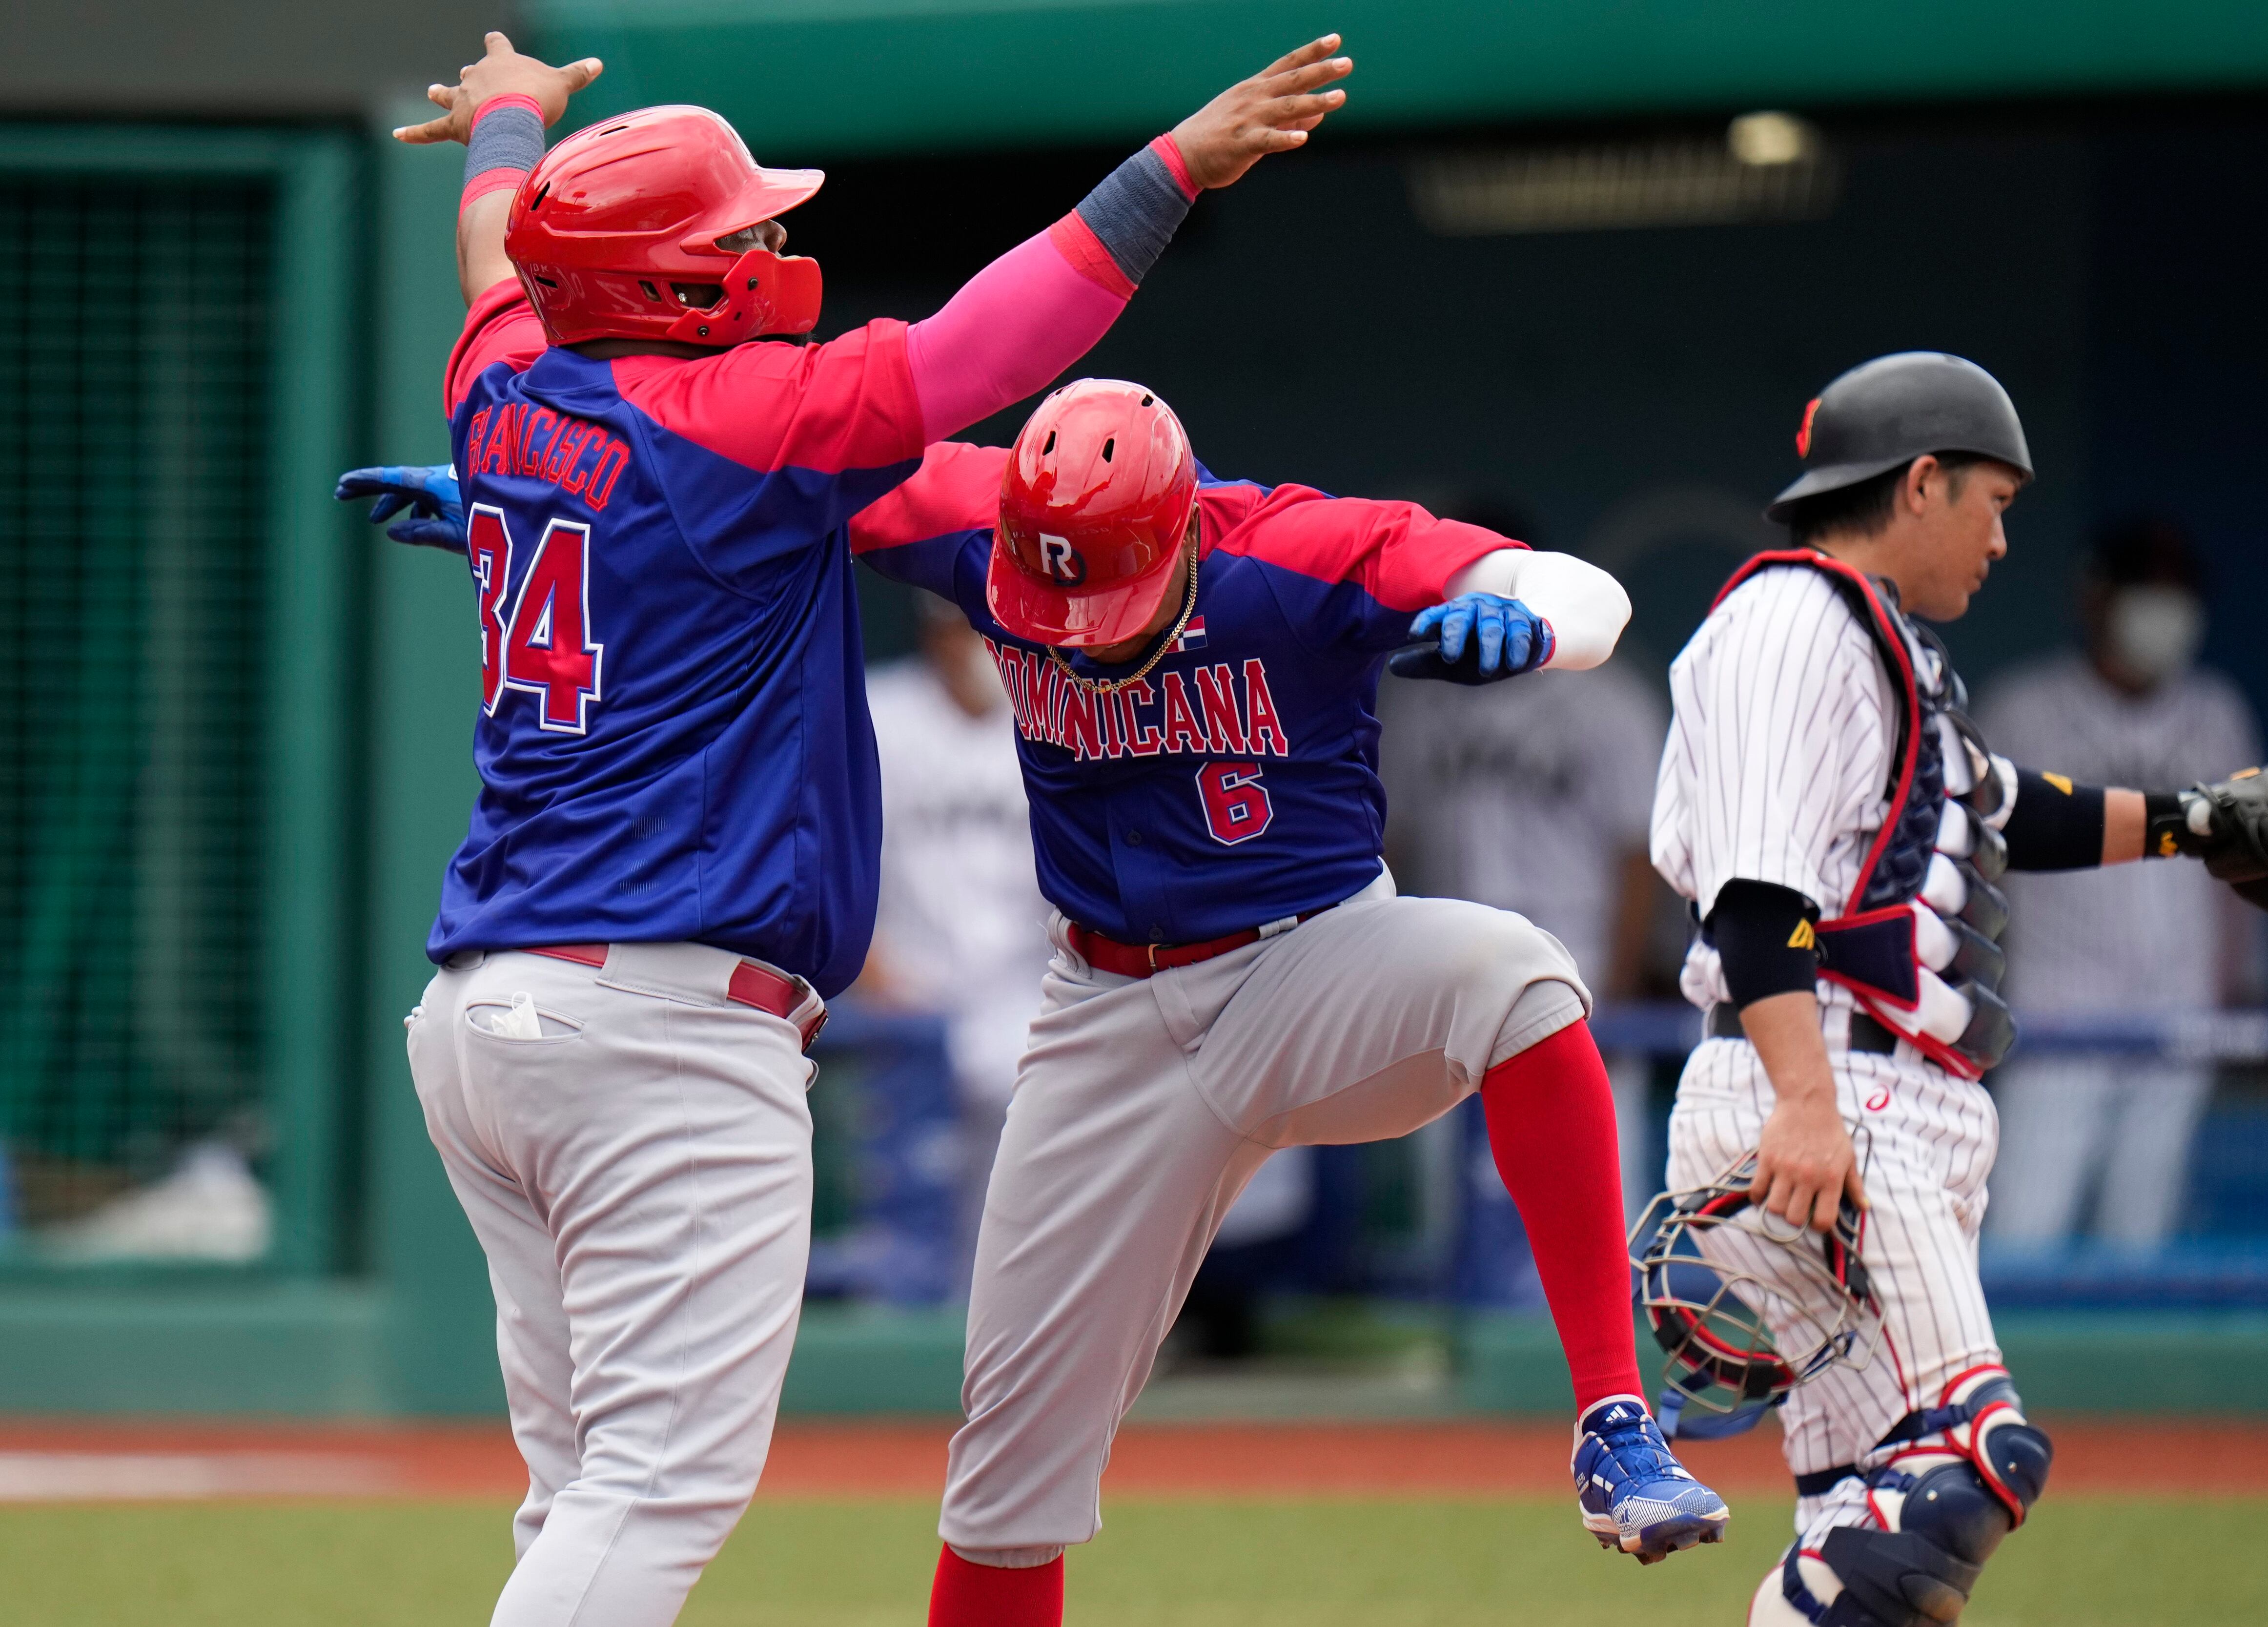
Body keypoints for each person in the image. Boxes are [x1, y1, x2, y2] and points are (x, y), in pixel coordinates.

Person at [341, 31, 1353, 1627]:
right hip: (657, 1026)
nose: (775, 250)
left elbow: (491, 241)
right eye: (740, 239)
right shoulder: (752, 418)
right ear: (666, 284)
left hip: (489, 1012)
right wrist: (1174, 170)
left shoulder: (498, 377)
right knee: (653, 1488)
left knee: (583, 1490)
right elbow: (990, 340)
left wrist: (512, 112)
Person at [848, 379, 1728, 1627]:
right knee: (1006, 1475)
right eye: (1058, 591)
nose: (1084, 626)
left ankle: (1612, 1420)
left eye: (1108, 585)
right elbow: (754, 463)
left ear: (1182, 528)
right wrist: (532, 502)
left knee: (1516, 976)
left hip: (1308, 963)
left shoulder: (1297, 550)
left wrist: (1516, 619)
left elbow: (1586, 592)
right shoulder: (981, 522)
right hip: (1099, 1011)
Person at [1650, 352, 2268, 1627]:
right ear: (1919, 482)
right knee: (1967, 1469)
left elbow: (2010, 806)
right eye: (1994, 500)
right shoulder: (1792, 622)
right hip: (1827, 1093)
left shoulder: (1881, 647)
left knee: (1874, 1527)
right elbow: (1754, 894)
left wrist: (2209, 820)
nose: (2006, 536)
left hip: (1873, 1100)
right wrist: (1804, 1100)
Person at [1377, 504, 1674, 1242]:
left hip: (1576, 960)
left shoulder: (1609, 698)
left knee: (1588, 1188)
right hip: (1441, 957)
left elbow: (1639, 857)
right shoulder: (1414, 695)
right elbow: (1388, 841)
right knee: (1446, 1198)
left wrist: (1623, 986)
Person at [1978, 519, 2268, 1249]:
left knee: (2144, 1233)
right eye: (2147, 590)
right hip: (2057, 1006)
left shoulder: (2219, 712)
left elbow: (2246, 865)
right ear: (2096, 598)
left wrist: (2248, 993)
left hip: (2180, 1005)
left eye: (2176, 593)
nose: (2163, 610)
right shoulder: (2021, 707)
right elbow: (1970, 863)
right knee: (2025, 1226)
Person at [860, 597, 1050, 1275]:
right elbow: (832, 857)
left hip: (1024, 997)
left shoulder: (1050, 717)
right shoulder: (880, 713)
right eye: (957, 627)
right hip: (907, 995)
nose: (969, 642)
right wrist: (868, 969)